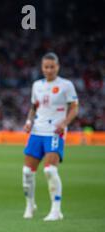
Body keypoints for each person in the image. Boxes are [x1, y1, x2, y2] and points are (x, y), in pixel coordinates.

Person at [22, 52, 79, 221]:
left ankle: (56, 210)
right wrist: (28, 121)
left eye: (52, 67)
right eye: (46, 67)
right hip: (37, 131)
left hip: (55, 131)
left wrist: (65, 123)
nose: (49, 70)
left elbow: (74, 107)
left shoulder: (66, 85)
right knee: (27, 172)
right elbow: (34, 107)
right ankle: (30, 205)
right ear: (42, 68)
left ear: (57, 67)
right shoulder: (36, 85)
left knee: (50, 170)